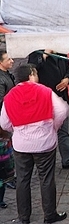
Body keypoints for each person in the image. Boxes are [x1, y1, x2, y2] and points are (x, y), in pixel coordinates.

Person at [0, 64, 69, 224]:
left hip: (21, 145)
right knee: (46, 178)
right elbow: (62, 110)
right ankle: (50, 214)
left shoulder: (10, 96)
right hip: (44, 143)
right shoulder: (45, 91)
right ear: (31, 75)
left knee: (23, 180)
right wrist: (53, 126)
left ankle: (24, 216)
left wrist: (17, 129)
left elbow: (4, 123)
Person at [27, 49, 69, 170]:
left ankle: (68, 160)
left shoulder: (60, 52)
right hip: (45, 101)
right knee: (45, 133)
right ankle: (45, 163)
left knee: (63, 132)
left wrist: (66, 79)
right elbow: (33, 69)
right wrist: (44, 55)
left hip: (61, 99)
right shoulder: (35, 54)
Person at [0, 50, 15, 204]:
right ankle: (7, 178)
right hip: (2, 122)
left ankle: (9, 177)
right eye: (8, 59)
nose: (12, 61)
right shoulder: (1, 79)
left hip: (7, 119)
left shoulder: (8, 75)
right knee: (5, 154)